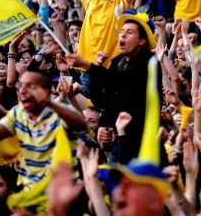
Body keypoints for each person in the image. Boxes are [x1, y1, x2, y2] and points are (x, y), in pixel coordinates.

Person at [0, 70, 86, 191]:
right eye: (21, 86)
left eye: (30, 86)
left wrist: (56, 100)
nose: (23, 90)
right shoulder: (16, 116)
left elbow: (82, 126)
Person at [66, 11, 157, 162]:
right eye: (121, 31)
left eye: (129, 32)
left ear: (141, 40)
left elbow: (122, 81)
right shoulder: (117, 63)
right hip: (117, 145)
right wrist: (103, 126)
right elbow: (101, 101)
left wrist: (88, 66)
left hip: (142, 146)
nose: (122, 35)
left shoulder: (150, 63)